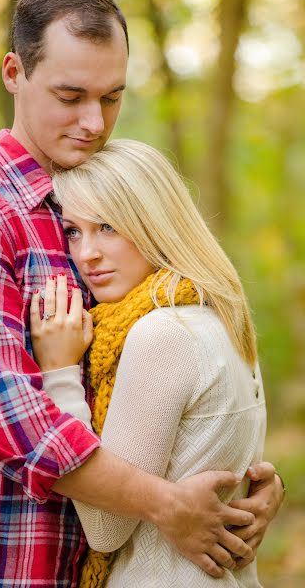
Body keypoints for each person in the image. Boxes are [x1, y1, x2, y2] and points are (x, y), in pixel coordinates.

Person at [0, 0, 283, 586]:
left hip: (101, 569)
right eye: (70, 96)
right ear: (14, 72)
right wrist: (167, 504)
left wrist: (249, 479)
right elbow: (4, 422)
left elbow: (174, 377)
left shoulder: (108, 207)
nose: (92, 122)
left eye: (111, 98)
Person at [30, 138, 270, 587]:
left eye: (108, 227)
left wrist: (60, 372)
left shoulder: (161, 333)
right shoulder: (219, 314)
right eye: (73, 231)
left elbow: (104, 530)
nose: (87, 254)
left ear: (154, 223)